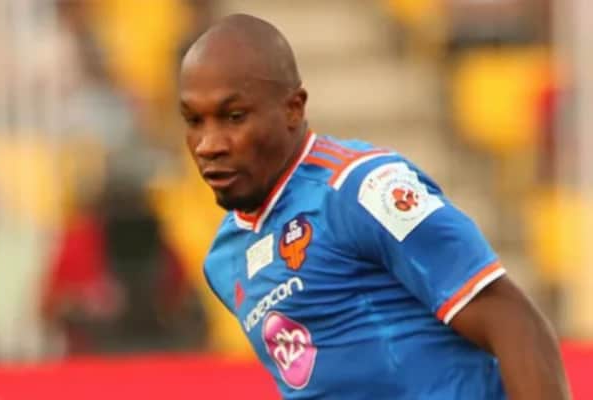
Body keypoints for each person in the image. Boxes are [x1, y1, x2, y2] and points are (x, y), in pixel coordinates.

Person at [178, 14, 571, 400]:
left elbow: (513, 322)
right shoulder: (224, 260)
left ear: (293, 109)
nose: (208, 145)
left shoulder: (361, 190)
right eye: (194, 121)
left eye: (234, 117)